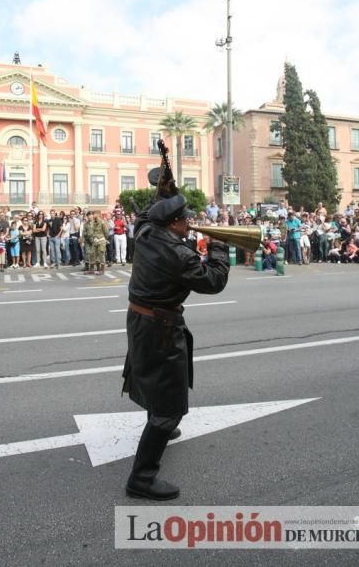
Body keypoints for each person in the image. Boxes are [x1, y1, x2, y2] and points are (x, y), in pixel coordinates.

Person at [122, 194, 230, 500]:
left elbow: (145, 214)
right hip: (161, 329)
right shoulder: (177, 254)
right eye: (185, 219)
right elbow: (214, 281)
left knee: (152, 378)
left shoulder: (145, 232)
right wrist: (219, 247)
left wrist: (166, 187)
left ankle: (163, 429)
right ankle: (141, 478)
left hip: (142, 321)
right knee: (169, 401)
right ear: (173, 222)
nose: (190, 223)